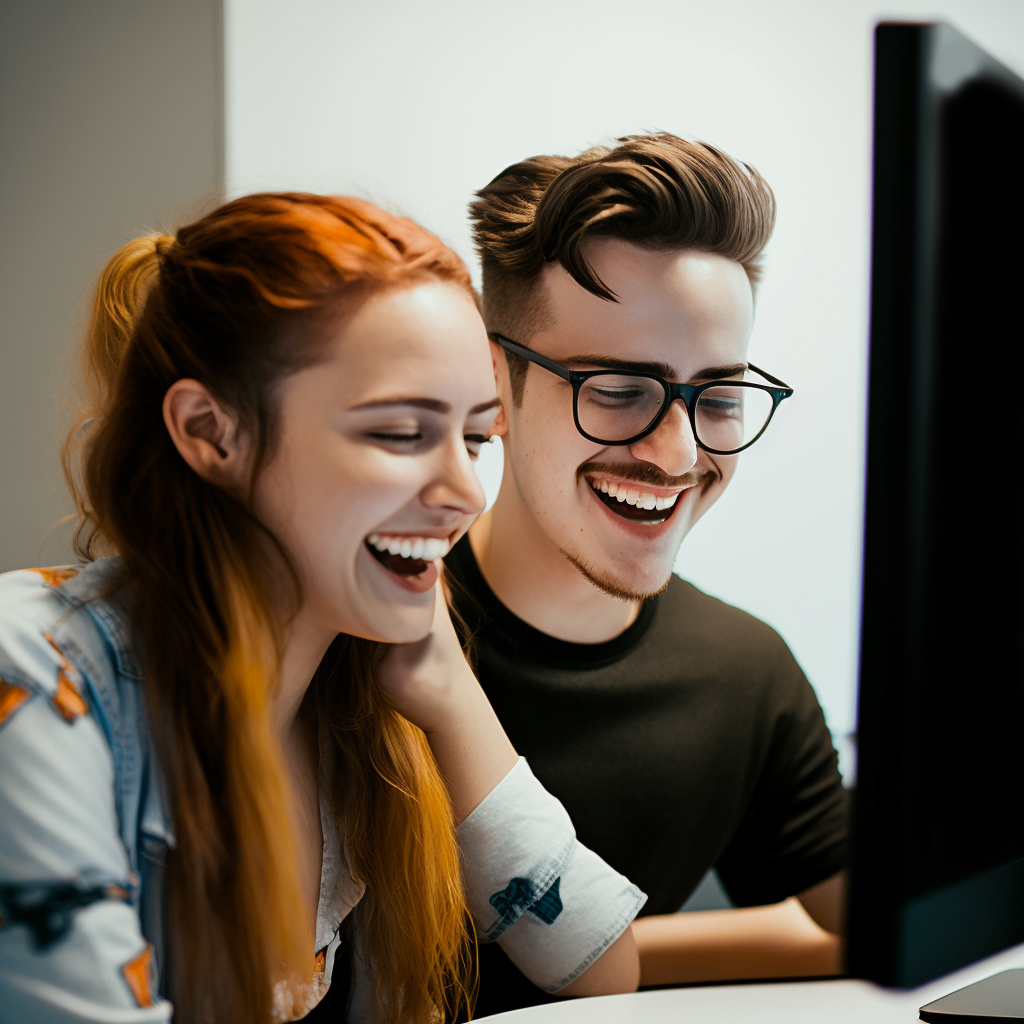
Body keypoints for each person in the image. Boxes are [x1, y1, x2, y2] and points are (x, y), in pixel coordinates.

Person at [0, 193, 646, 1023]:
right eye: (402, 434)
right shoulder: (36, 678)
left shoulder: (346, 711)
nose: (463, 495)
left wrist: (452, 701)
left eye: (476, 438)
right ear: (212, 432)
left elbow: (598, 968)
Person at [444, 133, 849, 1017]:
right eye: (621, 388)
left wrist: (604, 948)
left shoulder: (746, 673)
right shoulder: (369, 638)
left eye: (719, 396)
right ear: (492, 384)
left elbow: (866, 919)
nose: (678, 453)